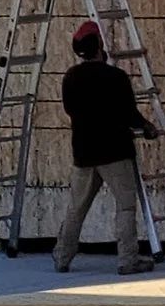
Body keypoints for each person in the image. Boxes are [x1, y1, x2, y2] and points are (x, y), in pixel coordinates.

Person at [54, 19, 159, 276]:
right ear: (100, 45)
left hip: (83, 153)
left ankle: (62, 257)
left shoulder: (70, 78)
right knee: (125, 206)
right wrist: (147, 127)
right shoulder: (116, 77)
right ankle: (127, 260)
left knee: (76, 208)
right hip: (115, 152)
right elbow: (129, 114)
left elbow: (70, 110)